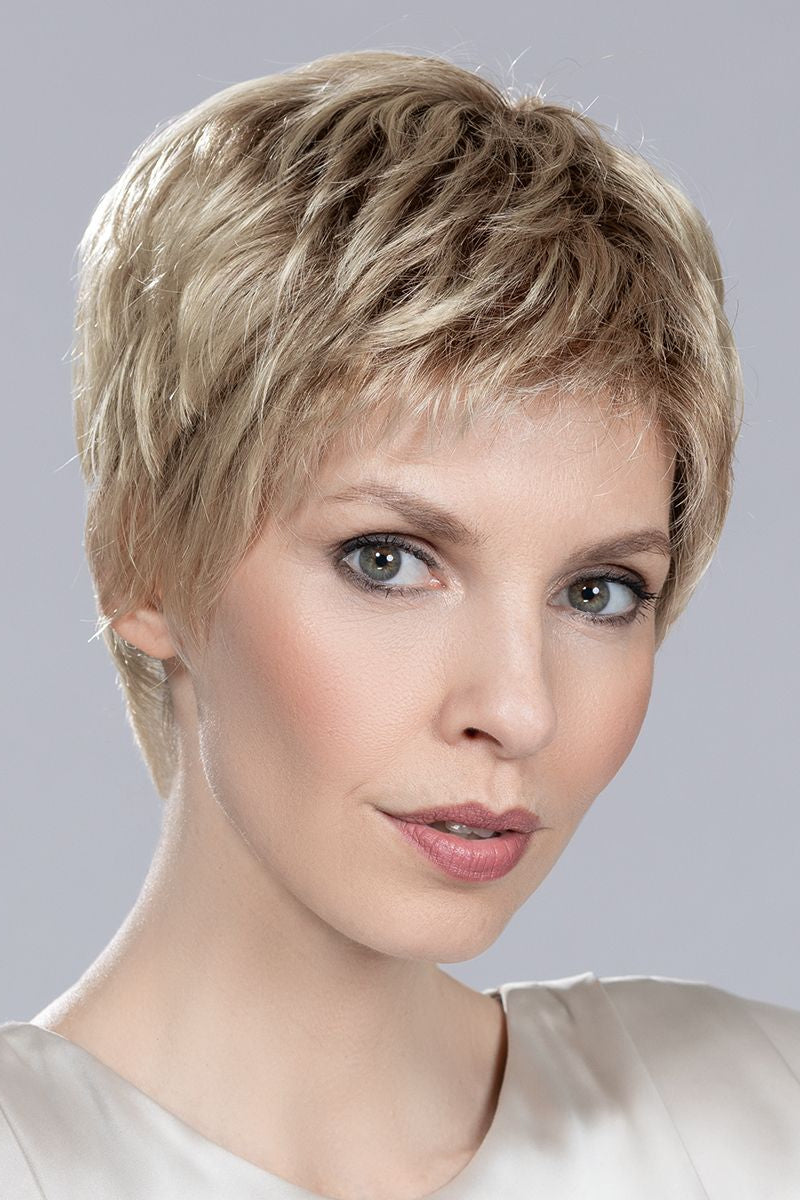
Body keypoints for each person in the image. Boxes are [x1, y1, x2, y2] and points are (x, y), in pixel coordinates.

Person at [1, 48, 797, 1200]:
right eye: (387, 561)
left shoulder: (757, 1118)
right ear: (146, 562)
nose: (517, 710)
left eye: (596, 592)